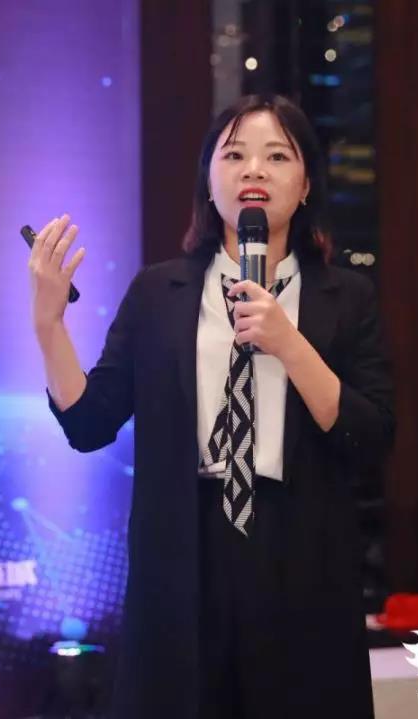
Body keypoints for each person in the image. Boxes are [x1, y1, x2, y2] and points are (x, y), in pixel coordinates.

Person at [28, 94, 395, 719]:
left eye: (277, 156)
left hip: (301, 554)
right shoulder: (158, 292)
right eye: (234, 155)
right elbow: (89, 423)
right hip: (183, 549)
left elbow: (372, 437)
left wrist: (289, 344)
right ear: (208, 179)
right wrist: (49, 324)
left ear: (306, 184)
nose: (254, 170)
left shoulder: (348, 297)